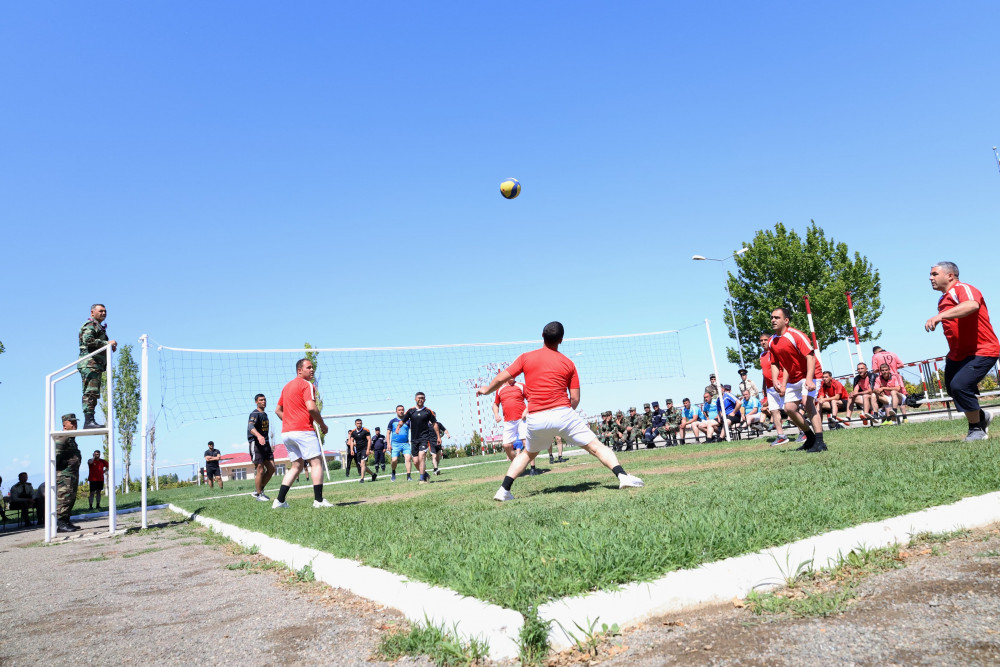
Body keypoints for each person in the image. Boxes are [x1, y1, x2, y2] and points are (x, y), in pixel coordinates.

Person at [477, 321, 643, 501]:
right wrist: (564, 416)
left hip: (536, 417)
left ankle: (503, 490)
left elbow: (501, 378)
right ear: (561, 340)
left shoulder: (525, 358)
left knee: (527, 454)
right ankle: (623, 476)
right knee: (596, 447)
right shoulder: (568, 363)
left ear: (542, 335)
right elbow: (575, 399)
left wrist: (487, 390)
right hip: (563, 413)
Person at [925, 262, 1000, 441]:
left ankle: (976, 430)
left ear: (950, 276)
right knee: (953, 389)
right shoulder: (942, 299)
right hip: (957, 354)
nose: (930, 278)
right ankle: (981, 416)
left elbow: (971, 305)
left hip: (982, 350)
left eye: (934, 274)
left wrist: (940, 316)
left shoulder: (963, 289)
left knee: (960, 386)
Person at [272, 358, 332, 508]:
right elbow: (311, 407)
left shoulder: (286, 387)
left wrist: (289, 421)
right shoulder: (307, 385)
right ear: (299, 371)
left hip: (287, 433)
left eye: (312, 367)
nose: (312, 370)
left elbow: (277, 410)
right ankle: (319, 501)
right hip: (303, 430)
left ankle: (279, 501)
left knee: (296, 466)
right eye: (308, 367)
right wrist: (322, 424)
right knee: (316, 463)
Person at [768, 307, 826, 453]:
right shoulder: (771, 341)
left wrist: (809, 380)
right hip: (793, 377)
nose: (773, 320)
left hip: (811, 373)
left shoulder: (796, 335)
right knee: (789, 409)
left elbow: (810, 357)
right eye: (772, 317)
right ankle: (810, 438)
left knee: (808, 403)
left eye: (777, 317)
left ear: (786, 320)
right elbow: (775, 363)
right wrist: (776, 380)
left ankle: (820, 442)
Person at [77, 304, 117, 429]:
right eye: (101, 311)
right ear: (92, 313)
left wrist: (108, 347)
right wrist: (107, 343)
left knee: (93, 393)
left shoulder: (98, 326)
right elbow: (88, 340)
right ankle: (88, 421)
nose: (104, 313)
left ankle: (90, 420)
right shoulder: (90, 325)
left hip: (95, 365)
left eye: (105, 311)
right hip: (89, 364)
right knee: (90, 392)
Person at [396, 392, 441, 484]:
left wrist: (438, 436)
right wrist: (398, 427)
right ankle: (425, 474)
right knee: (416, 461)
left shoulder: (428, 411)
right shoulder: (411, 411)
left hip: (424, 438)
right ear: (415, 399)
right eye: (419, 398)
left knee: (421, 456)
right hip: (414, 439)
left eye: (422, 398)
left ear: (424, 400)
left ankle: (422, 479)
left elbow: (435, 424)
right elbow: (403, 420)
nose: (420, 399)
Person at [51, 414, 83, 531]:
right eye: (72, 423)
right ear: (65, 425)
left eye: (75, 422)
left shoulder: (70, 438)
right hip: (64, 475)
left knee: (70, 497)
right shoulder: (62, 437)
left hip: (71, 474)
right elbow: (55, 456)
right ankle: (61, 523)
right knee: (64, 498)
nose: (75, 425)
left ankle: (66, 520)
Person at [760, 332, 789, 445]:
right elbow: (764, 373)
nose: (763, 342)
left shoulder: (776, 352)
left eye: (765, 340)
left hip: (780, 385)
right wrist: (764, 387)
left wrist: (783, 384)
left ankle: (804, 432)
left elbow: (785, 367)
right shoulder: (762, 355)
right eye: (761, 340)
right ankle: (781, 435)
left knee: (789, 409)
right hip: (770, 388)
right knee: (774, 410)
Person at [247, 393, 275, 501]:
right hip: (256, 444)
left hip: (265, 444)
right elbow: (251, 427)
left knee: (272, 468)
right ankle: (259, 495)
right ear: (256, 402)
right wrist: (259, 436)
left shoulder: (265, 414)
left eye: (264, 400)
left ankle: (258, 490)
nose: (263, 401)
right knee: (260, 469)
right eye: (261, 400)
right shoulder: (254, 414)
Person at [493, 377, 528, 462]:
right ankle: (517, 464)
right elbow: (496, 404)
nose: (512, 376)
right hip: (508, 421)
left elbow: (531, 399)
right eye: (510, 374)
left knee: (526, 442)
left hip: (522, 419)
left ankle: (532, 467)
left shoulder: (521, 385)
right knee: (506, 445)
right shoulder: (500, 389)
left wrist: (526, 411)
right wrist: (496, 414)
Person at [387, 405, 412, 482]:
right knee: (394, 460)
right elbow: (388, 433)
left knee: (408, 458)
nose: (401, 411)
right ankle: (393, 472)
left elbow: (413, 431)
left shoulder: (408, 421)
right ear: (396, 411)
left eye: (402, 410)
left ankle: (409, 476)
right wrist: (388, 444)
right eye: (399, 410)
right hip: (395, 444)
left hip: (405, 444)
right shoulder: (392, 421)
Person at [349, 419, 377, 483]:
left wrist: (368, 449)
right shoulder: (353, 432)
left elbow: (369, 440)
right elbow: (351, 441)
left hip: (365, 449)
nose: (359, 424)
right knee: (361, 465)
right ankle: (373, 475)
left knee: (363, 463)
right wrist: (352, 450)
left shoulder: (366, 430)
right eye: (358, 423)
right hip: (358, 450)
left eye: (360, 423)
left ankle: (362, 479)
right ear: (355, 424)